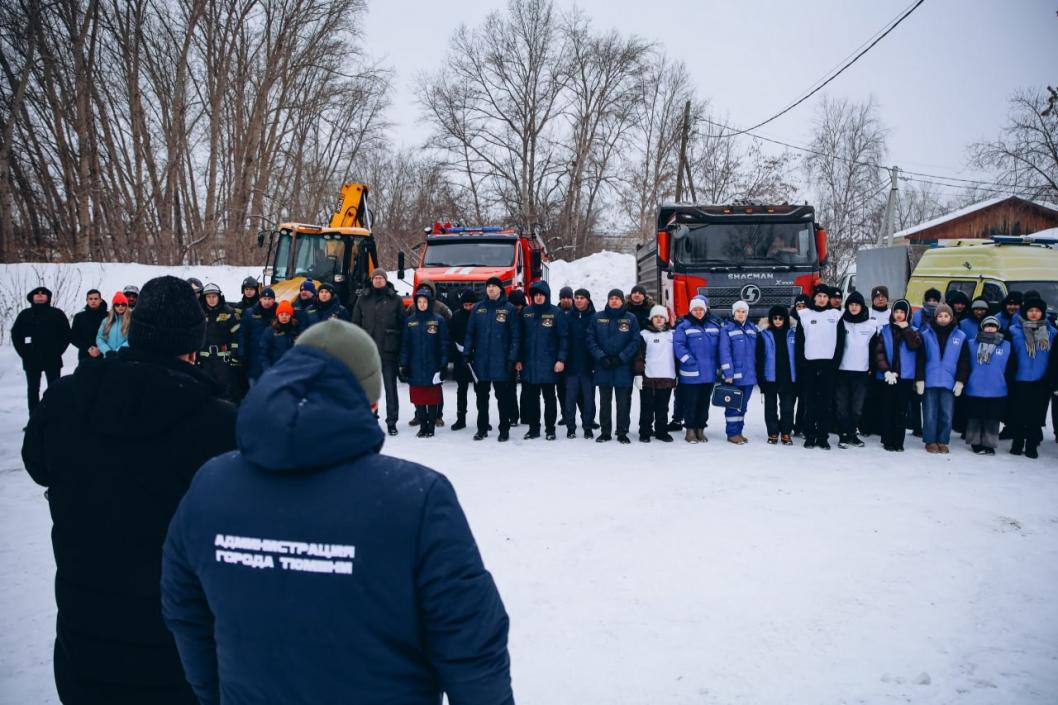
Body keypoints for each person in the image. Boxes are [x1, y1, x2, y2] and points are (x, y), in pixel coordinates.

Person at [160, 320, 513, 705]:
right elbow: (471, 645)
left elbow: (184, 612)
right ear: (372, 404)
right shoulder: (417, 500)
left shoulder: (210, 486)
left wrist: (217, 694)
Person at [22, 275, 236, 705]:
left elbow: (38, 465)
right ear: (192, 349)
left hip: (84, 639)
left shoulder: (65, 401)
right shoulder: (219, 425)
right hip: (176, 652)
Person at [464, 277, 520, 442]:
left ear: (500, 289)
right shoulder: (478, 309)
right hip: (481, 362)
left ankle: (504, 429)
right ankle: (482, 428)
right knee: (481, 398)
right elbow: (470, 333)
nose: (491, 289)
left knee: (502, 398)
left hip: (501, 362)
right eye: (489, 286)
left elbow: (515, 337)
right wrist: (467, 353)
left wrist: (512, 358)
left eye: (494, 286)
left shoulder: (509, 309)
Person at [352, 269, 405, 435]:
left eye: (381, 278)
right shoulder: (363, 299)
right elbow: (355, 325)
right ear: (372, 280)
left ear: (386, 280)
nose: (378, 280)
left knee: (390, 389)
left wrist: (400, 349)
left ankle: (392, 421)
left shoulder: (395, 300)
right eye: (376, 278)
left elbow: (402, 326)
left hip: (389, 350)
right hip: (369, 352)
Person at [915, 303, 970, 454]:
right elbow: (920, 359)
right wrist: (920, 379)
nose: (943, 319)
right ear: (935, 317)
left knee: (946, 413)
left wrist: (960, 381)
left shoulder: (960, 336)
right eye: (940, 316)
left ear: (951, 318)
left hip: (949, 382)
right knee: (930, 413)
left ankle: (942, 440)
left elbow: (964, 361)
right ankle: (930, 441)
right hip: (930, 381)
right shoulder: (926, 335)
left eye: (946, 316)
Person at [587, 289, 640, 443]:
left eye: (617, 298)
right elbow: (590, 339)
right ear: (608, 300)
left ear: (622, 301)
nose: (614, 301)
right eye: (612, 298)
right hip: (603, 366)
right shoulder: (597, 318)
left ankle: (622, 432)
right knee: (605, 402)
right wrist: (601, 357)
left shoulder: (631, 318)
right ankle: (605, 432)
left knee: (623, 402)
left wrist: (621, 358)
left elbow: (635, 341)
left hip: (622, 367)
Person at [518, 280, 568, 440]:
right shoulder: (526, 312)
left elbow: (564, 339)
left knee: (549, 398)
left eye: (541, 295)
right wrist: (518, 359)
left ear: (547, 296)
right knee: (532, 399)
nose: (538, 298)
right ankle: (534, 428)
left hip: (549, 364)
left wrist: (561, 359)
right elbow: (519, 338)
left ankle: (550, 429)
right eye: (536, 295)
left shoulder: (556, 313)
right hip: (530, 365)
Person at [1007, 296, 1056, 458]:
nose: (1034, 314)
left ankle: (1032, 445)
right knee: (1019, 413)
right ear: (1025, 312)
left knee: (1036, 416)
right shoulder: (1014, 330)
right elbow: (1009, 355)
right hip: (1019, 380)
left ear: (1042, 313)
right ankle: (1018, 442)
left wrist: (1051, 379)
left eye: (1037, 311)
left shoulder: (1052, 332)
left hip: (1041, 381)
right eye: (1030, 310)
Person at [795, 284, 843, 449]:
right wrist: (802, 363)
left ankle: (823, 437)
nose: (822, 299)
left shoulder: (836, 315)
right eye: (819, 296)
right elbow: (799, 342)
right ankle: (810, 436)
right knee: (810, 402)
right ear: (814, 297)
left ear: (828, 299)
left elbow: (841, 342)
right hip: (810, 365)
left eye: (825, 296)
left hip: (828, 365)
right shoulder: (805, 315)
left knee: (826, 404)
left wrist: (835, 363)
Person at [871, 299, 922, 452]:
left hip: (905, 376)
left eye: (902, 312)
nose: (899, 315)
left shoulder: (913, 330)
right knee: (887, 408)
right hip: (888, 376)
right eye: (896, 312)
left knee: (901, 410)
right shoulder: (885, 330)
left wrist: (906, 329)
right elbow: (879, 353)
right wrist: (886, 371)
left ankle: (898, 441)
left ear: (907, 314)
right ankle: (887, 439)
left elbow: (915, 345)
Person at [12, 285, 71, 412]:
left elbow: (66, 334)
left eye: (43, 293)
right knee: (33, 389)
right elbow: (16, 334)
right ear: (31, 297)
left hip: (52, 358)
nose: (40, 295)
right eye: (37, 293)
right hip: (31, 359)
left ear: (48, 297)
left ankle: (54, 419)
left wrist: (57, 351)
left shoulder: (57, 313)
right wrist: (24, 353)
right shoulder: (24, 315)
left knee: (55, 388)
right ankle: (33, 420)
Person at [399, 287, 449, 438]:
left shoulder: (438, 320)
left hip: (433, 365)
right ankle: (423, 426)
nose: (421, 304)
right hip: (415, 365)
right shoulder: (410, 322)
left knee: (432, 397)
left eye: (424, 301)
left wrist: (444, 364)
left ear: (429, 303)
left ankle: (431, 426)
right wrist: (403, 364)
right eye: (419, 302)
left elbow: (444, 344)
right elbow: (405, 345)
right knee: (419, 397)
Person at [673, 295, 721, 444]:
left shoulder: (714, 325)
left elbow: (721, 346)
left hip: (709, 373)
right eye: (695, 309)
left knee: (704, 402)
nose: (699, 312)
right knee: (690, 402)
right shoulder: (684, 326)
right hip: (691, 372)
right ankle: (690, 430)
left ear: (706, 310)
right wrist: (689, 361)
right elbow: (678, 346)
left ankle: (700, 428)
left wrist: (720, 364)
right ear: (691, 311)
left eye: (701, 309)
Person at [833, 292, 878, 449]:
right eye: (851, 304)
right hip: (842, 371)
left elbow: (874, 349)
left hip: (861, 372)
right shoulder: (840, 322)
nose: (853, 307)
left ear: (862, 307)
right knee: (841, 406)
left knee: (857, 408)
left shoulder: (871, 326)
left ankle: (853, 433)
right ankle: (843, 435)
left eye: (857, 305)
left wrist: (872, 368)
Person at [963, 316, 1012, 455]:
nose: (990, 328)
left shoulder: (1006, 345)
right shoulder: (971, 343)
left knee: (992, 418)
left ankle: (989, 443)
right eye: (987, 325)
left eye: (993, 326)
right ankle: (975, 442)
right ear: (982, 327)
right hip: (975, 387)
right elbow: (965, 364)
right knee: (975, 417)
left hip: (997, 388)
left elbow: (1010, 367)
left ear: (998, 328)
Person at [633, 305, 676, 443]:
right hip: (649, 378)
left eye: (661, 317)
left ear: (666, 319)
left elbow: (677, 357)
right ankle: (645, 431)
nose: (659, 319)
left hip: (667, 377)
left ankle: (661, 431)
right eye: (656, 317)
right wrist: (638, 374)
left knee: (663, 408)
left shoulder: (672, 335)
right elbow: (639, 356)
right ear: (651, 319)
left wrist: (678, 375)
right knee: (647, 407)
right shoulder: (644, 335)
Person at [756, 304, 797, 445]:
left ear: (785, 319)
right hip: (770, 377)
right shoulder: (764, 334)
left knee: (787, 407)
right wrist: (761, 378)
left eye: (781, 318)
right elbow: (759, 358)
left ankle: (786, 432)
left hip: (788, 377)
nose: (778, 320)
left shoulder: (793, 333)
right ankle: (773, 432)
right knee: (770, 407)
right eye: (775, 318)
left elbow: (798, 356)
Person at [718, 300, 758, 444]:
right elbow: (724, 352)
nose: (741, 314)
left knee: (743, 406)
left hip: (749, 375)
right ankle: (732, 433)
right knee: (733, 405)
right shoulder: (726, 329)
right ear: (734, 313)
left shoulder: (752, 328)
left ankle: (739, 432)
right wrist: (728, 373)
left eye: (744, 312)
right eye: (738, 311)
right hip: (733, 376)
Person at [564, 288, 597, 439]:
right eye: (576, 297)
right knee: (569, 399)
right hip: (570, 366)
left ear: (588, 300)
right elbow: (563, 340)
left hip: (588, 366)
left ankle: (588, 427)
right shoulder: (567, 317)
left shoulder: (595, 318)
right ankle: (570, 428)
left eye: (582, 298)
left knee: (588, 400)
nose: (578, 300)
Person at [198, 283, 240, 402]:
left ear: (219, 297)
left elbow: (236, 336)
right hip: (204, 361)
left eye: (214, 296)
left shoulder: (229, 313)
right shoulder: (199, 313)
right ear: (204, 298)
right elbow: (194, 336)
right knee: (205, 389)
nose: (211, 300)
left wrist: (234, 355)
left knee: (225, 391)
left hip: (223, 361)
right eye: (208, 297)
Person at [448, 290, 479, 431]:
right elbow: (451, 335)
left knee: (481, 391)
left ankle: (482, 419)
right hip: (460, 357)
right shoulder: (456, 316)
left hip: (477, 357)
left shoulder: (479, 315)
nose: (468, 307)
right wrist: (456, 352)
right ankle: (461, 419)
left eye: (471, 305)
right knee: (462, 390)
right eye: (466, 305)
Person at [239, 287, 277, 385]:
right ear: (260, 299)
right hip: (254, 356)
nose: (267, 302)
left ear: (274, 300)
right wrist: (242, 353)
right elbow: (243, 334)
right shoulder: (250, 313)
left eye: (269, 299)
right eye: (264, 299)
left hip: (272, 356)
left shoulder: (278, 313)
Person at [260, 299, 300, 372]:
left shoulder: (297, 330)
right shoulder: (270, 331)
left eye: (287, 314)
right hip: (275, 370)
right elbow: (264, 354)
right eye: (281, 314)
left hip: (293, 371)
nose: (284, 317)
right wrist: (268, 370)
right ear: (277, 315)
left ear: (290, 316)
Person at [70, 289, 108, 363]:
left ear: (100, 300)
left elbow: (113, 335)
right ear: (87, 300)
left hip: (105, 354)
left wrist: (101, 348)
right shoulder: (79, 317)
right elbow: (73, 337)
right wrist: (88, 348)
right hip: (85, 355)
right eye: (90, 299)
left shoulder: (109, 316)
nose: (93, 301)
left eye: (96, 299)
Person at [556, 286, 575, 424]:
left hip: (576, 357)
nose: (566, 300)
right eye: (563, 298)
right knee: (562, 390)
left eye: (568, 297)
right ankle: (565, 415)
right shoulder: (555, 313)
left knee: (579, 391)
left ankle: (587, 417)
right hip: (560, 358)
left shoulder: (578, 312)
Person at [96, 292, 132, 356]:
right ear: (113, 306)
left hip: (125, 357)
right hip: (109, 357)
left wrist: (118, 351)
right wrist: (107, 351)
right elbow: (99, 338)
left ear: (126, 305)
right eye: (117, 304)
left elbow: (132, 339)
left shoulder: (131, 320)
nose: (120, 306)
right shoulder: (106, 321)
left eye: (123, 304)